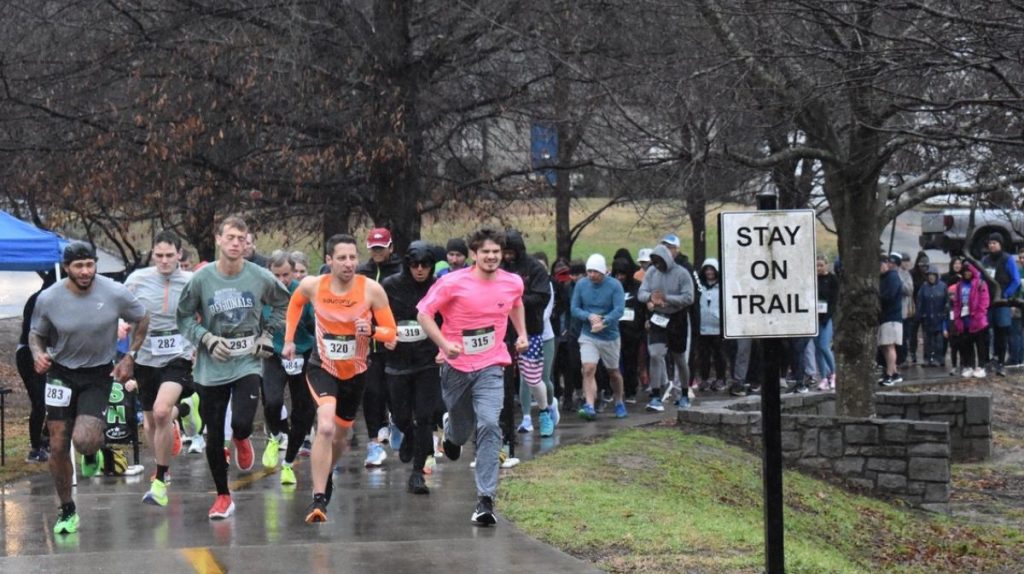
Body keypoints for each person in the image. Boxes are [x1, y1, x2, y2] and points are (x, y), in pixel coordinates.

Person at [30, 241, 150, 534]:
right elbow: (36, 335)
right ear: (66, 267)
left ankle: (92, 449)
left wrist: (130, 356)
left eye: (90, 265)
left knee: (84, 441)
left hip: (98, 373)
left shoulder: (114, 291)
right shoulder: (49, 298)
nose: (85, 272)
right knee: (58, 444)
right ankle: (67, 510)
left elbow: (143, 317)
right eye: (79, 266)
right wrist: (38, 354)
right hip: (60, 373)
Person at [176, 216, 291, 519]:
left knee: (241, 421)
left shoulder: (260, 276)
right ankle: (223, 496)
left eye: (242, 238)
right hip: (211, 366)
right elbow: (184, 317)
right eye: (230, 237)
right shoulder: (201, 279)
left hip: (247, 361)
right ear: (218, 239)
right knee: (214, 435)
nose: (236, 243)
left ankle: (241, 437)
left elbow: (284, 303)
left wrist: (268, 335)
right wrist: (207, 338)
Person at [416, 227, 529, 526]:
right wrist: (443, 344)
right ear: (474, 255)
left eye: (496, 252)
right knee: (462, 425)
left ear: (501, 254)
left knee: (490, 424)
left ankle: (485, 500)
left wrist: (522, 334)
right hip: (456, 367)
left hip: (492, 365)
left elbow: (515, 304)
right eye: (485, 252)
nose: (491, 257)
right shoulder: (452, 282)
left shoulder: (512, 282)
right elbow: (424, 314)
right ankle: (451, 433)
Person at [283, 233, 397, 523]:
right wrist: (289, 340)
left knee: (341, 436)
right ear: (329, 260)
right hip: (322, 367)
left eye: (353, 257)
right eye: (342, 258)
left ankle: (326, 471)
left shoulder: (371, 290)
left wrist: (371, 331)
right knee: (324, 426)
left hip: (356, 372)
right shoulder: (312, 285)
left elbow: (391, 334)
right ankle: (318, 498)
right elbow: (295, 305)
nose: (349, 263)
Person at [125, 230, 195, 507]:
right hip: (145, 355)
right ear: (152, 254)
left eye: (169, 255)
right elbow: (121, 307)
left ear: (179, 254)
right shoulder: (137, 280)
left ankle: (160, 476)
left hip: (179, 354)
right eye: (159, 255)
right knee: (150, 421)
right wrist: (120, 325)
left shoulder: (191, 281)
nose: (164, 261)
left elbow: (204, 312)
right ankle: (161, 462)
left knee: (162, 411)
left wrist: (201, 345)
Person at [382, 241, 442, 494]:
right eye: (415, 265)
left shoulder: (438, 287)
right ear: (407, 265)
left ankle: (417, 473)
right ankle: (407, 433)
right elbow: (378, 313)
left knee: (424, 417)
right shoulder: (391, 286)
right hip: (397, 361)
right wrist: (385, 334)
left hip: (427, 360)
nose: (420, 270)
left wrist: (443, 346)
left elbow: (446, 317)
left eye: (425, 265)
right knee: (401, 416)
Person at [261, 251, 317, 486]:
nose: (282, 280)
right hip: (274, 354)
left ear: (294, 272)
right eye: (277, 275)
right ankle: (275, 436)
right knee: (272, 401)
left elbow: (315, 323)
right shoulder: (263, 292)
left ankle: (288, 463)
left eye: (286, 274)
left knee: (303, 412)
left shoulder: (303, 292)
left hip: (302, 354)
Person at [357, 227, 402, 467]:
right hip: (367, 345)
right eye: (373, 248)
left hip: (394, 343)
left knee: (395, 393)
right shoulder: (361, 273)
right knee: (372, 394)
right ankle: (374, 443)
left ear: (390, 248)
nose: (377, 252)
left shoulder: (399, 272)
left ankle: (397, 424)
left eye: (381, 248)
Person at [501, 230, 553, 437]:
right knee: (501, 378)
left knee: (532, 378)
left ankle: (544, 410)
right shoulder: (497, 268)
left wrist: (515, 301)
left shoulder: (535, 269)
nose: (506, 256)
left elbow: (542, 296)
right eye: (504, 252)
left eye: (510, 252)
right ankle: (505, 420)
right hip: (502, 331)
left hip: (530, 330)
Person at [638, 244, 694, 410]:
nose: (657, 265)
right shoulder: (651, 273)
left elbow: (689, 297)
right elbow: (641, 293)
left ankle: (683, 393)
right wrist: (651, 297)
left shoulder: (682, 273)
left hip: (677, 317)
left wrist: (667, 298)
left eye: (660, 262)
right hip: (658, 317)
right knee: (655, 354)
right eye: (654, 262)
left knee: (679, 358)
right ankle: (655, 395)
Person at [571, 254, 627, 419]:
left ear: (603, 272)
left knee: (613, 372)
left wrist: (605, 321)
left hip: (609, 335)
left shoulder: (614, 285)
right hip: (589, 334)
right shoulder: (581, 285)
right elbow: (574, 308)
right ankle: (589, 404)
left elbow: (619, 309)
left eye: (595, 271)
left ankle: (618, 401)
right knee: (588, 368)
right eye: (589, 271)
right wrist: (588, 316)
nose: (592, 275)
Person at [16, 272, 57, 463]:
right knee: (39, 401)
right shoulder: (38, 300)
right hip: (28, 353)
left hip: (51, 354)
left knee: (57, 399)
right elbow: (32, 332)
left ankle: (46, 438)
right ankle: (35, 447)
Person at [981, 233, 1021, 376]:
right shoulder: (985, 260)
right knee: (985, 332)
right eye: (990, 243)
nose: (992, 245)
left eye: (995, 243)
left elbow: (1016, 280)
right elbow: (981, 278)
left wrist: (1006, 294)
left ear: (1000, 244)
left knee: (1001, 332)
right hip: (987, 302)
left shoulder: (1007, 259)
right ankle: (986, 361)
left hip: (1001, 302)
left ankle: (1000, 362)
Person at [612, 257, 645, 403]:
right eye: (617, 274)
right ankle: (613, 390)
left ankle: (631, 390)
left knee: (631, 361)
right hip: (614, 329)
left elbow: (642, 307)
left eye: (623, 274)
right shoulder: (611, 287)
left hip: (632, 330)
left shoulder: (637, 287)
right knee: (612, 362)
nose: (620, 277)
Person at [950, 261, 990, 378]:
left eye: (969, 271)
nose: (967, 273)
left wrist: (978, 315)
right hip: (964, 319)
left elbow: (984, 301)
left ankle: (981, 366)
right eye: (965, 271)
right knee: (967, 345)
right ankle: (969, 366)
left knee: (980, 345)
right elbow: (957, 302)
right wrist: (957, 317)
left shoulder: (980, 284)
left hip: (978, 320)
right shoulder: (959, 285)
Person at [878, 254, 904, 386]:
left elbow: (889, 296)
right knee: (884, 346)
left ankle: (890, 373)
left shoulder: (892, 277)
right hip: (884, 317)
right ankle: (893, 372)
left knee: (889, 345)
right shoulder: (882, 278)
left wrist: (877, 298)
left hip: (892, 316)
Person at [814, 255, 839, 390]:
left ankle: (834, 373)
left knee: (824, 346)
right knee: (817, 349)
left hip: (826, 318)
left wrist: (827, 316)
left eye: (821, 265)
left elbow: (834, 301)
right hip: (815, 318)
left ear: (827, 265)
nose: (819, 268)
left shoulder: (832, 279)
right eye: (817, 265)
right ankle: (823, 377)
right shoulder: (813, 279)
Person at [916, 265, 948, 368]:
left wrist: (945, 313)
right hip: (927, 318)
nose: (931, 277)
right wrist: (920, 315)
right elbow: (919, 301)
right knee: (927, 340)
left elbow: (947, 302)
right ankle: (927, 359)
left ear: (936, 276)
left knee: (939, 341)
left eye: (933, 275)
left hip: (939, 317)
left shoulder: (943, 286)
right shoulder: (924, 287)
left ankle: (939, 359)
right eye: (929, 275)